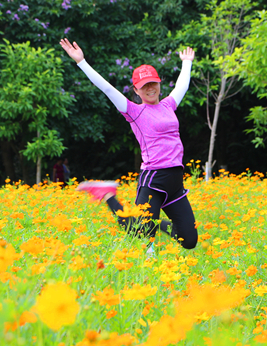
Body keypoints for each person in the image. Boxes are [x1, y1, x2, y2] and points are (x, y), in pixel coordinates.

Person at [60, 38, 198, 251]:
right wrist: (81, 62)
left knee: (189, 241)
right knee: (138, 230)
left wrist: (187, 62)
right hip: (154, 179)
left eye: (153, 83)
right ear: (136, 90)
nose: (150, 88)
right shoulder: (134, 112)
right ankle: (107, 195)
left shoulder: (169, 105)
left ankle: (155, 226)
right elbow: (106, 88)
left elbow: (182, 85)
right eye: (144, 86)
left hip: (175, 183)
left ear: (159, 83)